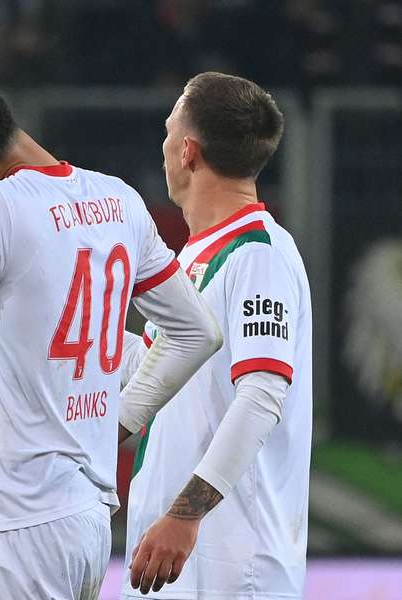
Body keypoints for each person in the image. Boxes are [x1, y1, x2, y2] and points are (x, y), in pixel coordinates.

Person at [0, 70, 222, 600]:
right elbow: (197, 331)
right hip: (89, 517)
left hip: (13, 525)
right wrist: (119, 422)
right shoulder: (118, 199)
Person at [119, 72, 312, 599]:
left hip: (232, 565)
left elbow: (262, 393)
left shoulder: (258, 254)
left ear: (187, 151)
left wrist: (185, 516)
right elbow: (154, 370)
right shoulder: (194, 256)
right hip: (177, 561)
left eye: (168, 132)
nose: (163, 147)